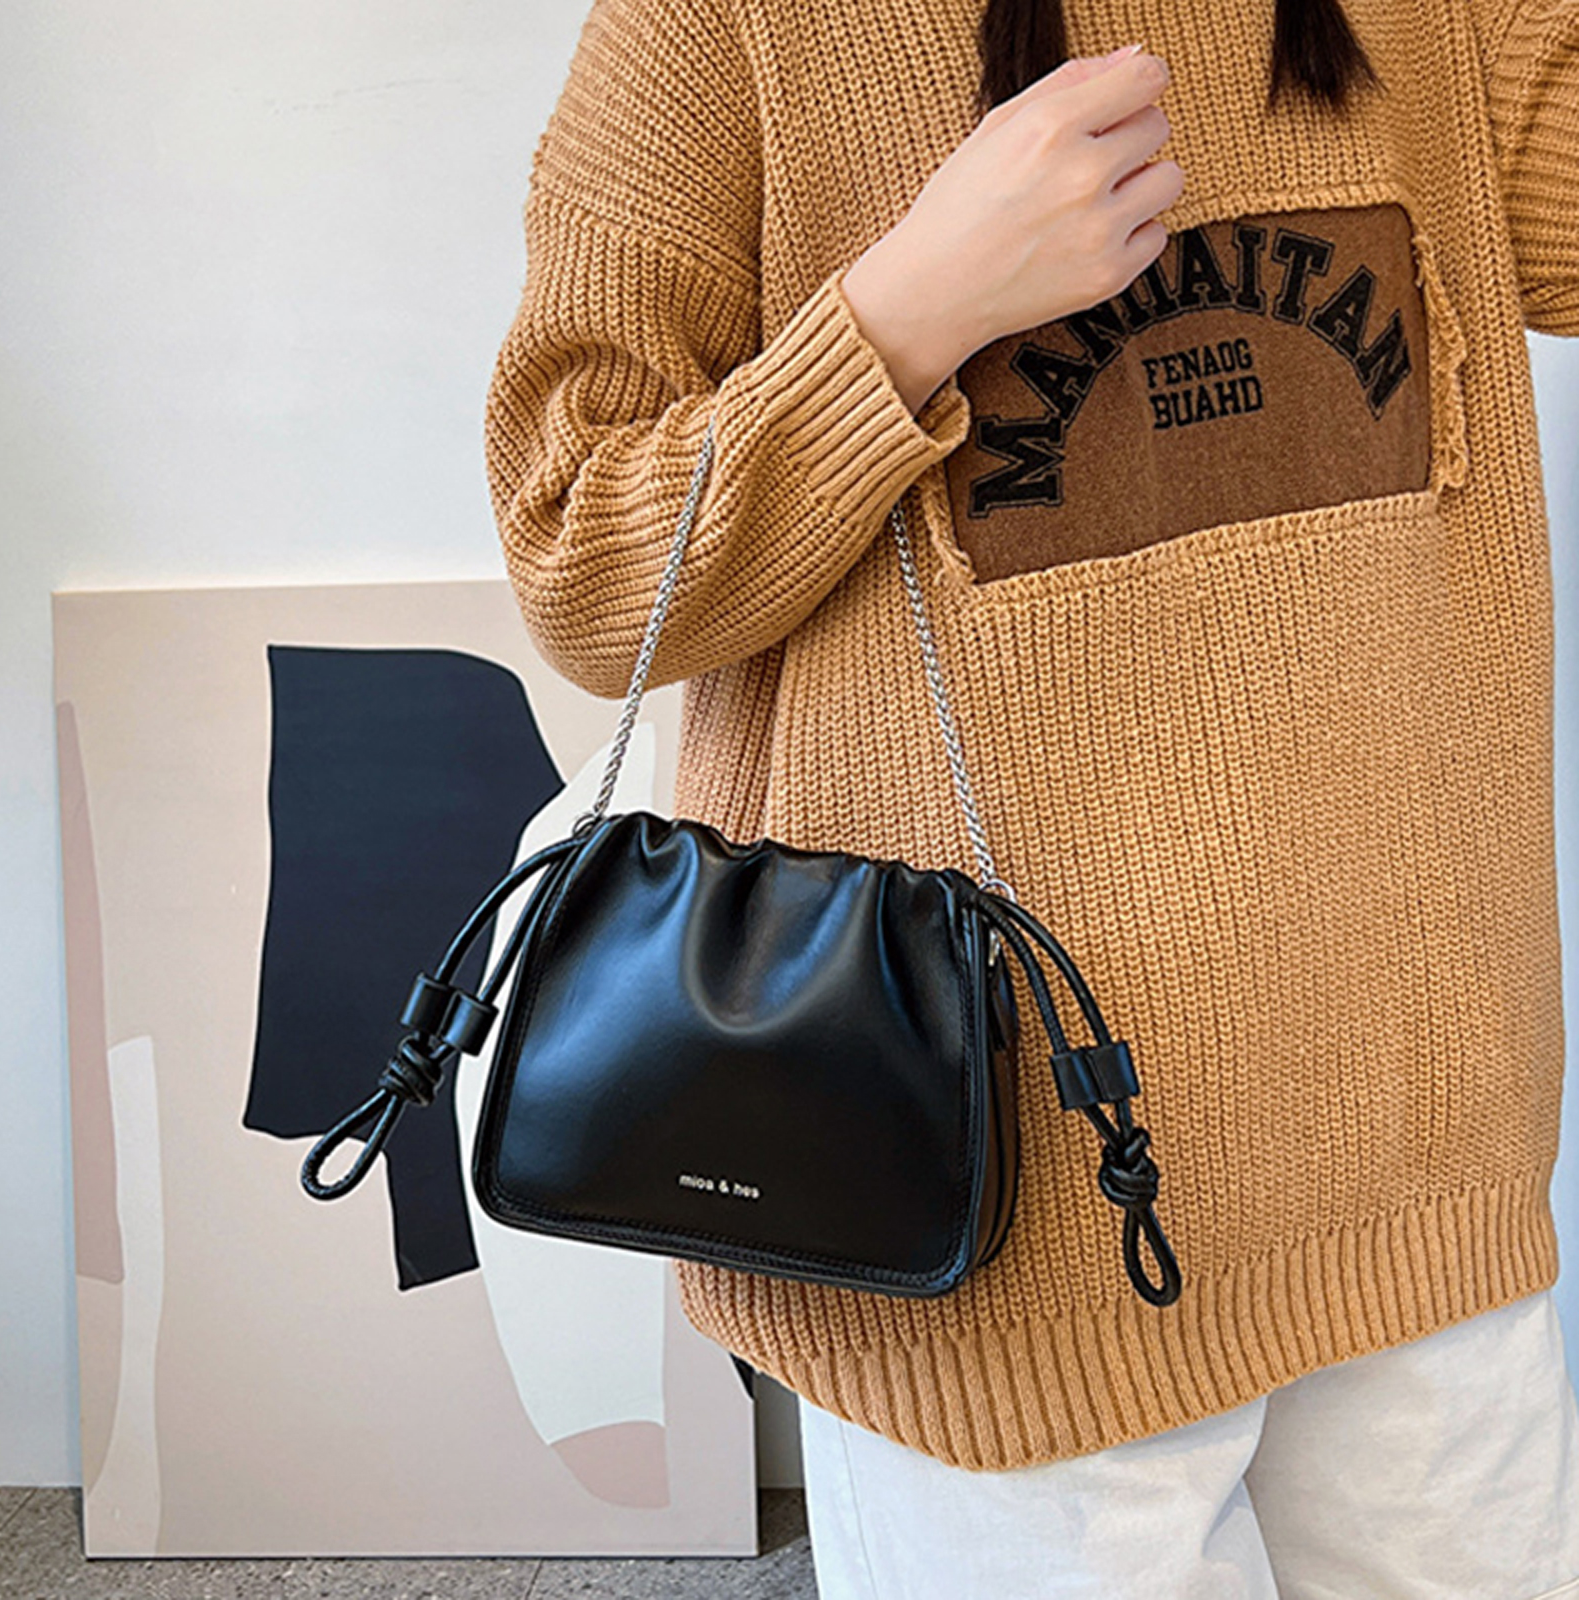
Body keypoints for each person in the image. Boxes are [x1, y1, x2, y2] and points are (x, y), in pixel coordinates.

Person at [483, 0, 1579, 1592]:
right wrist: (906, 313)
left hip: (1428, 1156)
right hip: (1000, 1206)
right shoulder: (729, 28)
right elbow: (584, 563)